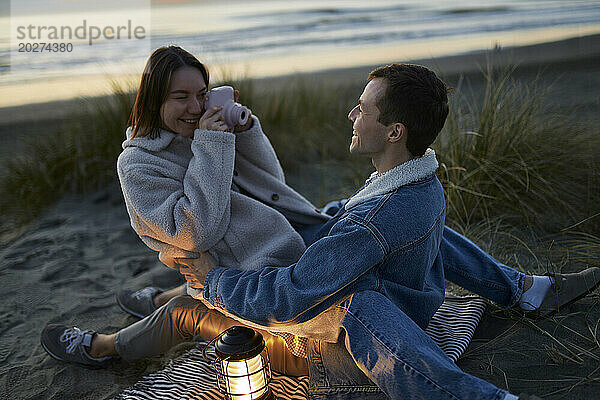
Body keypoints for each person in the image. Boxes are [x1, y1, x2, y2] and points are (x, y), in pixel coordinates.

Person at [40, 46, 599, 399]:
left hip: (264, 265)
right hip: (246, 263)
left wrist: (243, 128)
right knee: (190, 300)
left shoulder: (205, 138)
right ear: (152, 100)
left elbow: (271, 188)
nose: (192, 107)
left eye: (199, 94)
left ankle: (131, 324)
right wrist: (211, 141)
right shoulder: (140, 164)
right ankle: (111, 345)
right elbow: (198, 233)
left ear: (395, 129)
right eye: (178, 97)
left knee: (195, 299)